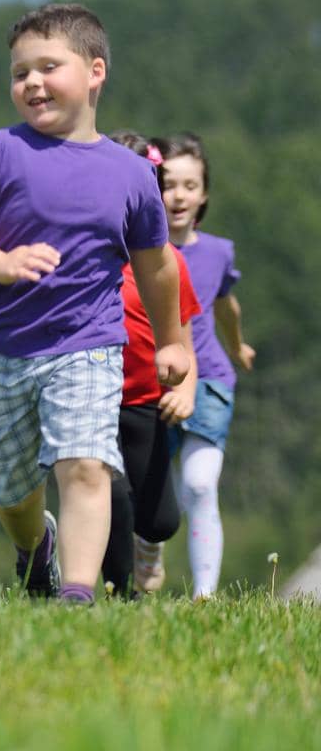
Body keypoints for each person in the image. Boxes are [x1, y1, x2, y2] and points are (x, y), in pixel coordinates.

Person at [0, 3, 192, 605]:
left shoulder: (129, 175)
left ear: (95, 71)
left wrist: (173, 339)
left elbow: (156, 265)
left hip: (87, 346)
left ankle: (77, 594)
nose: (32, 83)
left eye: (50, 67)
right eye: (21, 73)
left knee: (86, 464)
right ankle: (34, 548)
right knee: (13, 489)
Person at [100, 132, 200, 598]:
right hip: (93, 398)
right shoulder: (91, 258)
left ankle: (144, 550)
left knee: (159, 522)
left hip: (146, 401)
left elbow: (182, 340)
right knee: (111, 496)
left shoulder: (167, 263)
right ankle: (117, 592)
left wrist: (185, 389)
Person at [155, 132, 254, 599]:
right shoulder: (140, 252)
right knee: (149, 492)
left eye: (189, 185)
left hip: (210, 378)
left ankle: (205, 595)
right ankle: (141, 577)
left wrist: (238, 346)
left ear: (204, 194)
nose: (178, 195)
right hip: (149, 380)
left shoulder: (218, 252)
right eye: (168, 183)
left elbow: (225, 306)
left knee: (198, 484)